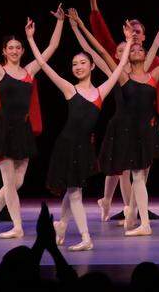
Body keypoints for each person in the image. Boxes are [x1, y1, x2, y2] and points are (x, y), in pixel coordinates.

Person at [72, 10, 159, 236]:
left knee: (141, 179)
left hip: (146, 131)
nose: (135, 50)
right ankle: (139, 219)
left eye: (139, 49)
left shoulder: (153, 75)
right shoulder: (122, 76)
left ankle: (139, 220)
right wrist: (79, 27)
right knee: (134, 177)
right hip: (126, 131)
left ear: (145, 55)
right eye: (130, 49)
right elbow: (101, 51)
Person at [30, 18, 133, 251]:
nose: (78, 67)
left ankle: (62, 225)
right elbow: (43, 65)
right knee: (75, 192)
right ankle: (86, 237)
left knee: (72, 188)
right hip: (66, 145)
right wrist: (30, 39)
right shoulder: (70, 88)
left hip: (85, 147)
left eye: (83, 63)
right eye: (75, 63)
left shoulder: (100, 92)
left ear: (92, 66)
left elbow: (119, 67)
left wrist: (127, 43)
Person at [0, 3, 64, 239]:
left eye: (18, 47)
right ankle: (17, 226)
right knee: (9, 182)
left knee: (18, 180)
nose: (14, 50)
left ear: (22, 51)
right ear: (3, 51)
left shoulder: (29, 71)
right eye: (10, 48)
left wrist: (60, 22)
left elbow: (53, 47)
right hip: (4, 128)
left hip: (23, 129)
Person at [87, 0, 159, 222]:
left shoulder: (151, 61)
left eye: (138, 31)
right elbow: (100, 39)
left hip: (145, 121)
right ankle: (130, 209)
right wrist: (94, 6)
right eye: (131, 30)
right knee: (122, 167)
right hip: (123, 121)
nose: (135, 34)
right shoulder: (119, 60)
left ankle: (134, 207)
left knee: (140, 168)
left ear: (144, 37)